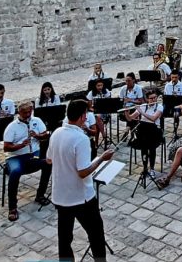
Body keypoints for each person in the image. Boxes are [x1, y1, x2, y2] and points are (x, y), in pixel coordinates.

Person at [47, 99, 115, 261]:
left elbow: (49, 160)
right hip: (81, 197)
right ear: (83, 116)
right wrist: (101, 159)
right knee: (96, 234)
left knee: (64, 239)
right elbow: (83, 172)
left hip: (61, 196)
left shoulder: (56, 133)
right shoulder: (81, 139)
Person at [2, 101, 51, 221]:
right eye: (25, 113)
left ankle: (40, 195)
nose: (28, 115)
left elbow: (45, 135)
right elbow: (6, 147)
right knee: (16, 172)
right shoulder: (12, 127)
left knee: (48, 163)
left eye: (30, 112)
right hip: (15, 156)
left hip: (33, 154)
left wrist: (38, 136)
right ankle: (12, 207)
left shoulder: (36, 121)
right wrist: (20, 145)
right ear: (19, 112)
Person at [125, 89, 163, 177]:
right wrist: (126, 112)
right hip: (143, 132)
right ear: (147, 99)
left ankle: (152, 169)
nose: (153, 100)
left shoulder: (159, 107)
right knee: (144, 147)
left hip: (155, 132)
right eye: (151, 98)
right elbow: (130, 118)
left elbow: (153, 118)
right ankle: (145, 168)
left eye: (155, 98)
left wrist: (141, 112)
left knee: (151, 147)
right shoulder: (143, 106)